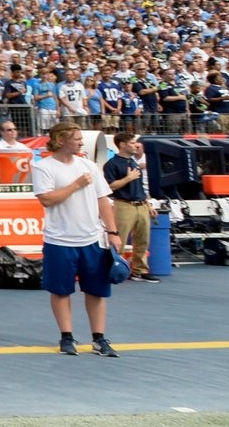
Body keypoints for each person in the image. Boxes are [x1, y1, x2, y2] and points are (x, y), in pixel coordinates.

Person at [31, 121, 121, 356]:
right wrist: (76, 185)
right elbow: (47, 199)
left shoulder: (89, 165)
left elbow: (103, 200)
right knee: (60, 290)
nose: (82, 142)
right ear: (61, 140)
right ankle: (66, 337)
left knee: (97, 291)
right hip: (59, 239)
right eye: (77, 138)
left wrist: (112, 232)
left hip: (93, 238)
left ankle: (99, 338)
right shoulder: (43, 167)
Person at [102, 130, 160, 283]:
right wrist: (128, 178)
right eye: (132, 143)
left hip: (140, 204)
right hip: (123, 204)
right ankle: (115, 269)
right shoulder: (112, 164)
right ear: (122, 145)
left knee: (142, 240)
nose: (136, 146)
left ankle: (140, 270)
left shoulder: (133, 163)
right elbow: (109, 186)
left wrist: (147, 203)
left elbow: (139, 186)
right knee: (118, 240)